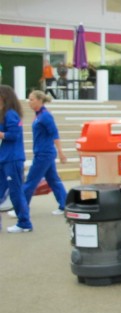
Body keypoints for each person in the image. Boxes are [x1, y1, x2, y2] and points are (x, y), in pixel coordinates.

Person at [8, 90, 67, 218]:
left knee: (30, 181)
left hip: (44, 154)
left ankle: (20, 209)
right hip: (43, 152)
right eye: (29, 99)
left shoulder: (45, 116)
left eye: (32, 99)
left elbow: (54, 134)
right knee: (53, 180)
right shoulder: (38, 115)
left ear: (40, 101)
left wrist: (61, 152)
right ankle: (65, 205)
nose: (29, 102)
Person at [0, 85, 33, 233]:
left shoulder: (11, 114)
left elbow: (14, 135)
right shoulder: (4, 114)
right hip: (5, 158)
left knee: (15, 191)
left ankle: (24, 223)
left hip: (12, 159)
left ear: (4, 98)